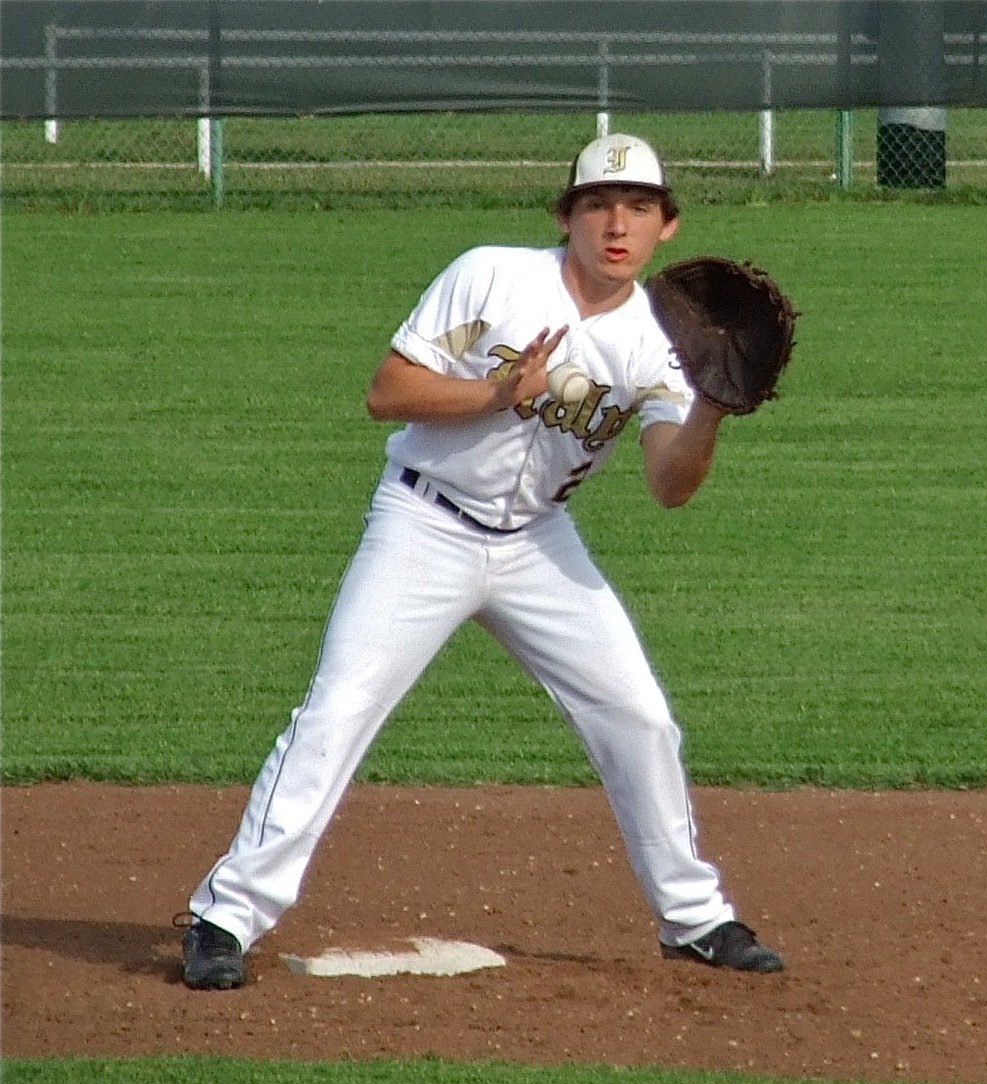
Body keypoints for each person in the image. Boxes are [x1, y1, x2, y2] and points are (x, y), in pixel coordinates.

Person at [180, 132, 784, 990]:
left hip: (540, 542)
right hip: (422, 524)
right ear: (566, 215)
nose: (618, 223)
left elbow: (669, 485)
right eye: (599, 205)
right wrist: (499, 393)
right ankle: (224, 917)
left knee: (638, 715)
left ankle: (694, 919)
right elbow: (387, 391)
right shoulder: (492, 276)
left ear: (667, 226)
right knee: (339, 707)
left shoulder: (667, 350)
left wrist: (711, 416)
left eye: (639, 208)